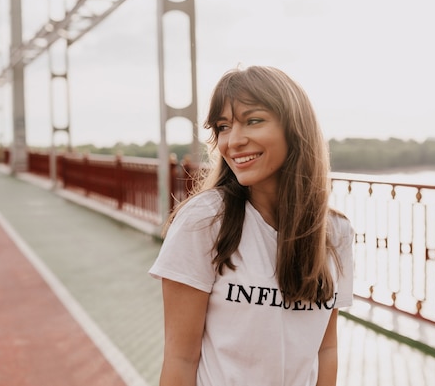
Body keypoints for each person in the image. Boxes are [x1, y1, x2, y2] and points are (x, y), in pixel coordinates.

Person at [149, 65, 354, 386]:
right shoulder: (205, 221)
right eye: (223, 126)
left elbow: (325, 348)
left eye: (253, 120)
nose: (233, 141)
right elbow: (180, 357)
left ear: (295, 128)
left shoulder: (335, 231)